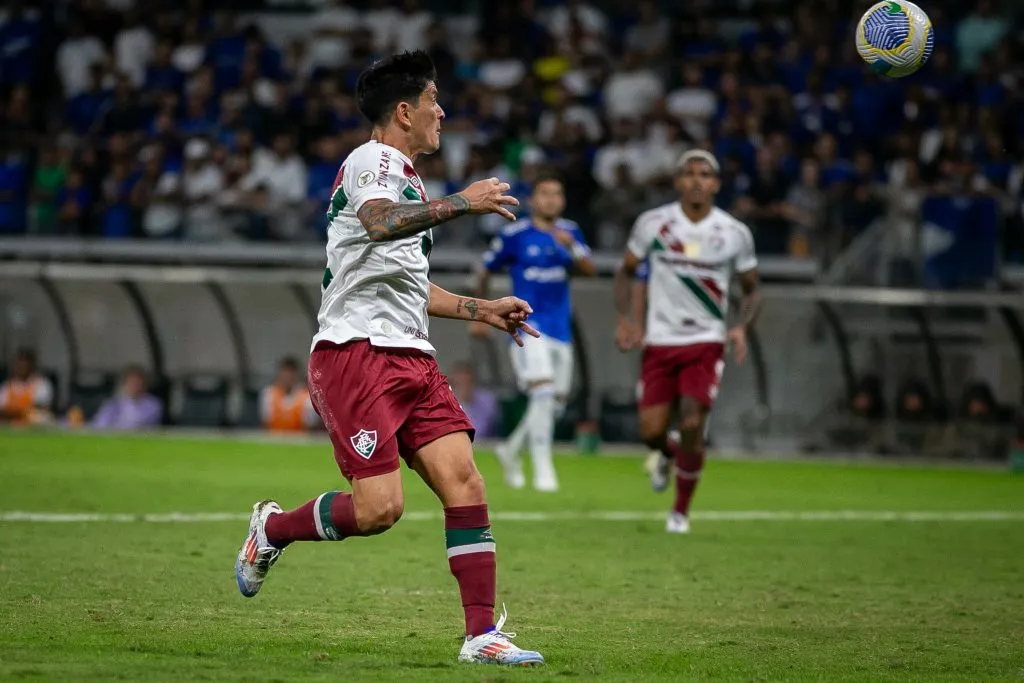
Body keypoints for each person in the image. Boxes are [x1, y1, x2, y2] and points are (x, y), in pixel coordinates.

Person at [234, 51, 545, 667]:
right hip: (358, 353)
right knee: (380, 510)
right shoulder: (371, 162)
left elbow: (405, 280)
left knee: (465, 479)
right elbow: (378, 225)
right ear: (404, 111)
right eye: (434, 100)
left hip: (412, 355)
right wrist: (463, 202)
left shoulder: (402, 174)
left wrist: (482, 309)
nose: (442, 112)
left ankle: (481, 636)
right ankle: (271, 530)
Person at [614, 150, 761, 534]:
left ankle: (680, 512)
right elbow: (626, 272)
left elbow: (752, 290)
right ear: (678, 181)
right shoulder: (654, 224)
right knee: (650, 432)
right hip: (660, 342)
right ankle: (668, 454)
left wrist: (742, 325)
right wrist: (628, 319)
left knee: (694, 422)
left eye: (705, 174)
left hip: (705, 341)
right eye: (689, 174)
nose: (697, 180)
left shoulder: (734, 233)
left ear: (716, 184)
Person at [472, 172, 596, 491]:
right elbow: (484, 269)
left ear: (563, 200)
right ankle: (543, 470)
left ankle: (511, 450)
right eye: (545, 193)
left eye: (556, 194)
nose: (551, 199)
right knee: (542, 392)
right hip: (528, 325)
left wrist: (574, 249)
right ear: (533, 200)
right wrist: (479, 314)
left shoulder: (570, 232)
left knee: (554, 404)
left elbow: (589, 270)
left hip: (560, 329)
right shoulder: (515, 234)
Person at [91, 366, 163, 430]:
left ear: (144, 384)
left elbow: (138, 424)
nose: (134, 386)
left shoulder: (153, 403)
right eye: (131, 382)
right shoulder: (114, 402)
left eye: (138, 383)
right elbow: (100, 423)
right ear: (125, 385)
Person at [260, 357, 317, 433]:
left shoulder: (307, 397)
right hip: (273, 441)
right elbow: (265, 424)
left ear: (297, 375)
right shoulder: (268, 394)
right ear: (279, 374)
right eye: (285, 372)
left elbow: (310, 427)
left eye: (291, 372)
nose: (288, 377)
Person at [0, 348, 53, 425]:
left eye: (24, 364)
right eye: (18, 364)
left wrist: (20, 412)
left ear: (31, 366)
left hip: (32, 425)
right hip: (9, 423)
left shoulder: (41, 384)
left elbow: (44, 409)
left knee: (40, 417)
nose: (21, 367)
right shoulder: (6, 386)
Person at [449, 361, 499, 439]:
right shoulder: (447, 403)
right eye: (460, 383)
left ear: (473, 382)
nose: (464, 387)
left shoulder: (487, 400)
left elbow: (482, 431)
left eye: (467, 383)